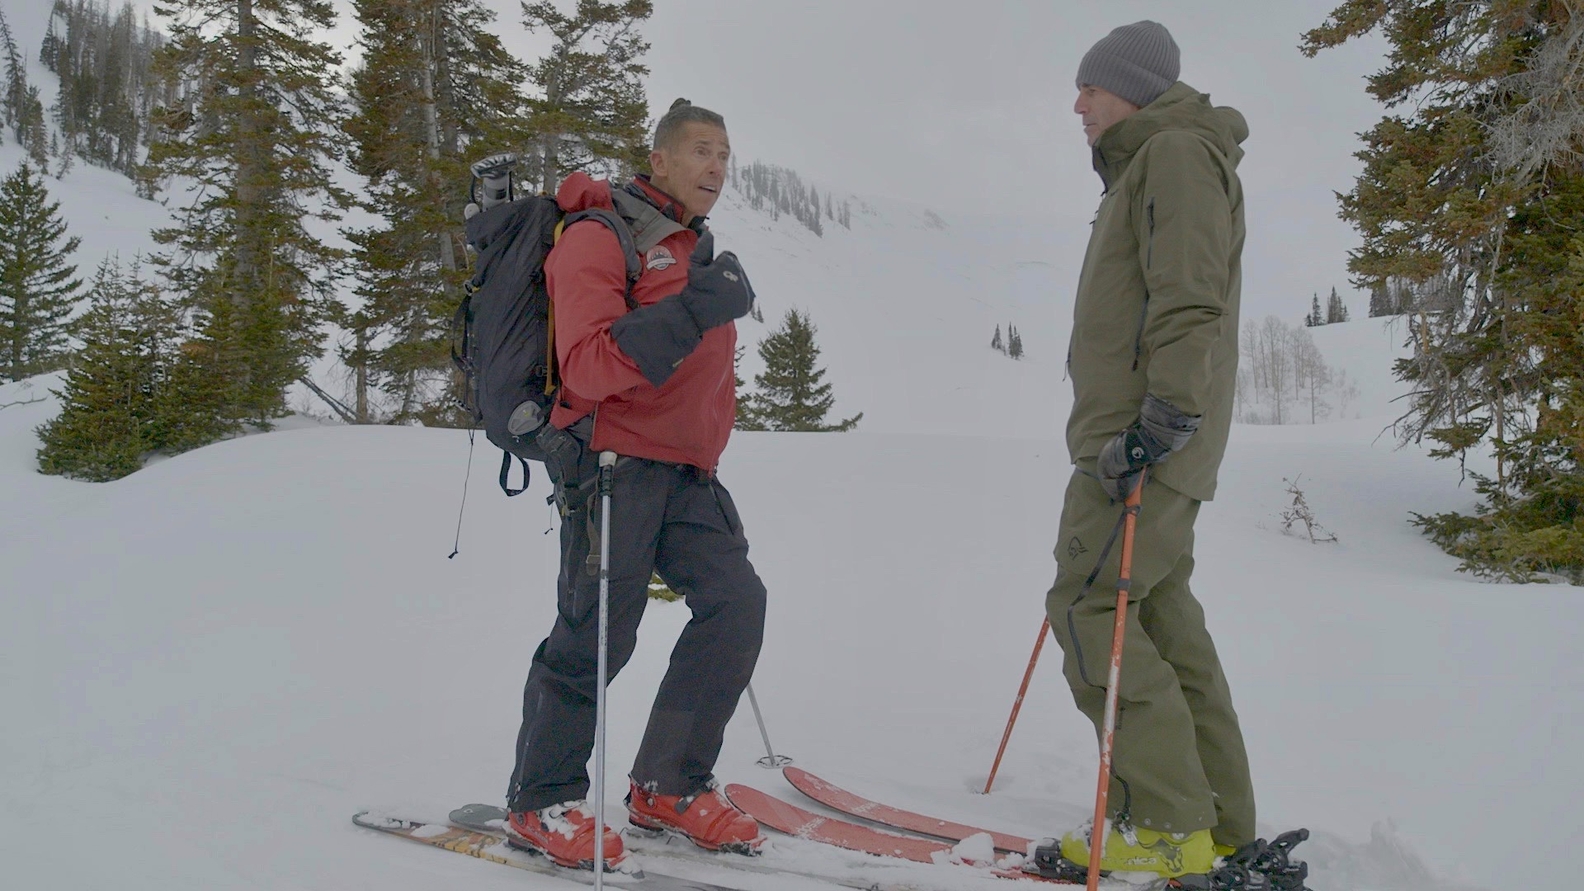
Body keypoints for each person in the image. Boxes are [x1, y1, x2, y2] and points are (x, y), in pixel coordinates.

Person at [504, 98, 767, 870]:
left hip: (686, 473)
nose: (716, 167)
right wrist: (693, 310)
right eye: (700, 151)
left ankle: (667, 784)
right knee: (593, 636)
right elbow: (588, 364)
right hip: (611, 465)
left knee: (735, 601)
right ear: (657, 159)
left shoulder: (689, 248)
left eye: (724, 154)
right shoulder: (598, 236)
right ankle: (539, 800)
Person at [1046, 21, 1254, 879]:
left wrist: (1158, 420)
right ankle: (1218, 821)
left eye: (1090, 89)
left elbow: (1187, 297)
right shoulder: (1154, 160)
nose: (1079, 105)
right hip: (1149, 438)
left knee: (1090, 607)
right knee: (1163, 616)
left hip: (1141, 443)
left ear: (1129, 87)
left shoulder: (1170, 154)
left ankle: (1167, 822)